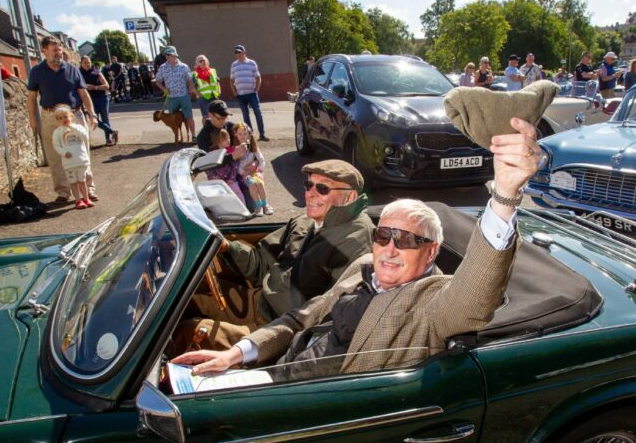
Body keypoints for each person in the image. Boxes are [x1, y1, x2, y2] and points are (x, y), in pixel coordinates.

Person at [171, 115, 540, 376]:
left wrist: (506, 194)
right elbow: (301, 318)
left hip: (311, 406)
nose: (390, 248)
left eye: (408, 240)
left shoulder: (431, 304)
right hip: (276, 366)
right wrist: (237, 354)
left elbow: (475, 293)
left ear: (431, 253)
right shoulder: (362, 265)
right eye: (384, 235)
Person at [179, 160, 375, 352]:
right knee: (185, 299)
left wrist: (274, 341)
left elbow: (326, 313)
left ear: (349, 197)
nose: (310, 193)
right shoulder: (305, 221)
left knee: (188, 332)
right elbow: (262, 263)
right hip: (261, 300)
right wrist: (227, 247)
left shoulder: (357, 240)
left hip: (282, 328)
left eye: (323, 188)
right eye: (309, 185)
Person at [26, 35, 99, 203]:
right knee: (54, 155)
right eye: (54, 51)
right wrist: (33, 118)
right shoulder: (37, 71)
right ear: (44, 51)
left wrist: (92, 114)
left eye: (59, 51)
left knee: (81, 152)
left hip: (73, 114)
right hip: (51, 116)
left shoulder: (72, 69)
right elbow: (31, 97)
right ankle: (63, 192)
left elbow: (83, 93)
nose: (58, 54)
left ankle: (89, 189)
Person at [52, 105, 93, 210]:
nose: (63, 119)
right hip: (69, 162)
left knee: (82, 181)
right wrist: (64, 152)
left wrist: (73, 127)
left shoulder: (78, 128)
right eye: (60, 118)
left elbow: (85, 137)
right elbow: (56, 145)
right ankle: (78, 200)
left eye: (65, 116)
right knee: (73, 182)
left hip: (81, 160)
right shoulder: (57, 132)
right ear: (57, 120)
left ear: (71, 116)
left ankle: (86, 198)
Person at [154, 46, 198, 141]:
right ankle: (177, 138)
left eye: (168, 54)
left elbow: (190, 79)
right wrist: (164, 89)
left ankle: (194, 136)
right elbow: (157, 81)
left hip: (184, 96)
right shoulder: (163, 68)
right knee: (173, 119)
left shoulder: (183, 67)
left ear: (174, 55)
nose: (167, 56)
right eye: (166, 55)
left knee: (189, 116)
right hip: (171, 98)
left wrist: (191, 90)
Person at [230, 44, 269, 141]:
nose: (238, 54)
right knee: (245, 115)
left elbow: (258, 77)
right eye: (236, 53)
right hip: (241, 95)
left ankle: (262, 134)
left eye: (239, 52)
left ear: (244, 52)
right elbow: (231, 80)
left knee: (258, 113)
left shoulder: (251, 63)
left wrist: (256, 89)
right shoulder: (234, 65)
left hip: (252, 94)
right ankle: (250, 136)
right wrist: (234, 92)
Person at [234, 122, 273, 216]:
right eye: (239, 134)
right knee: (251, 184)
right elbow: (236, 164)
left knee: (259, 182)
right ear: (235, 135)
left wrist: (259, 170)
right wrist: (242, 172)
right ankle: (258, 206)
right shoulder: (236, 148)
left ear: (249, 134)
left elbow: (261, 160)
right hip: (245, 174)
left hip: (255, 171)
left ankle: (265, 204)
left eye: (245, 133)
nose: (242, 136)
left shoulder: (253, 146)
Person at [79, 55, 118, 146]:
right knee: (93, 118)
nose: (87, 64)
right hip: (90, 99)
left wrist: (95, 87)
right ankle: (112, 131)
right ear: (81, 63)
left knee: (105, 118)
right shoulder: (78, 73)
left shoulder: (96, 71)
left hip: (102, 98)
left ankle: (108, 139)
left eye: (88, 62)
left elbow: (107, 86)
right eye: (85, 63)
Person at [204, 128, 246, 205]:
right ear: (217, 141)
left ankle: (243, 208)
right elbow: (209, 168)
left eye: (229, 138)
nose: (228, 140)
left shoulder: (231, 151)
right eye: (225, 138)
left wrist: (231, 178)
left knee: (236, 190)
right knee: (218, 196)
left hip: (230, 180)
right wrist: (214, 178)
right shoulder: (212, 154)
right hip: (217, 181)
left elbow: (235, 165)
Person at [192, 55, 221, 122]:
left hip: (214, 96)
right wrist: (199, 95)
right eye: (200, 61)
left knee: (217, 116)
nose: (203, 62)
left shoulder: (213, 71)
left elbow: (217, 82)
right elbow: (192, 86)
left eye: (204, 60)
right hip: (203, 98)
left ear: (207, 61)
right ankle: (206, 131)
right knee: (206, 117)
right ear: (197, 63)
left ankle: (215, 131)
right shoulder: (194, 74)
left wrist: (219, 91)